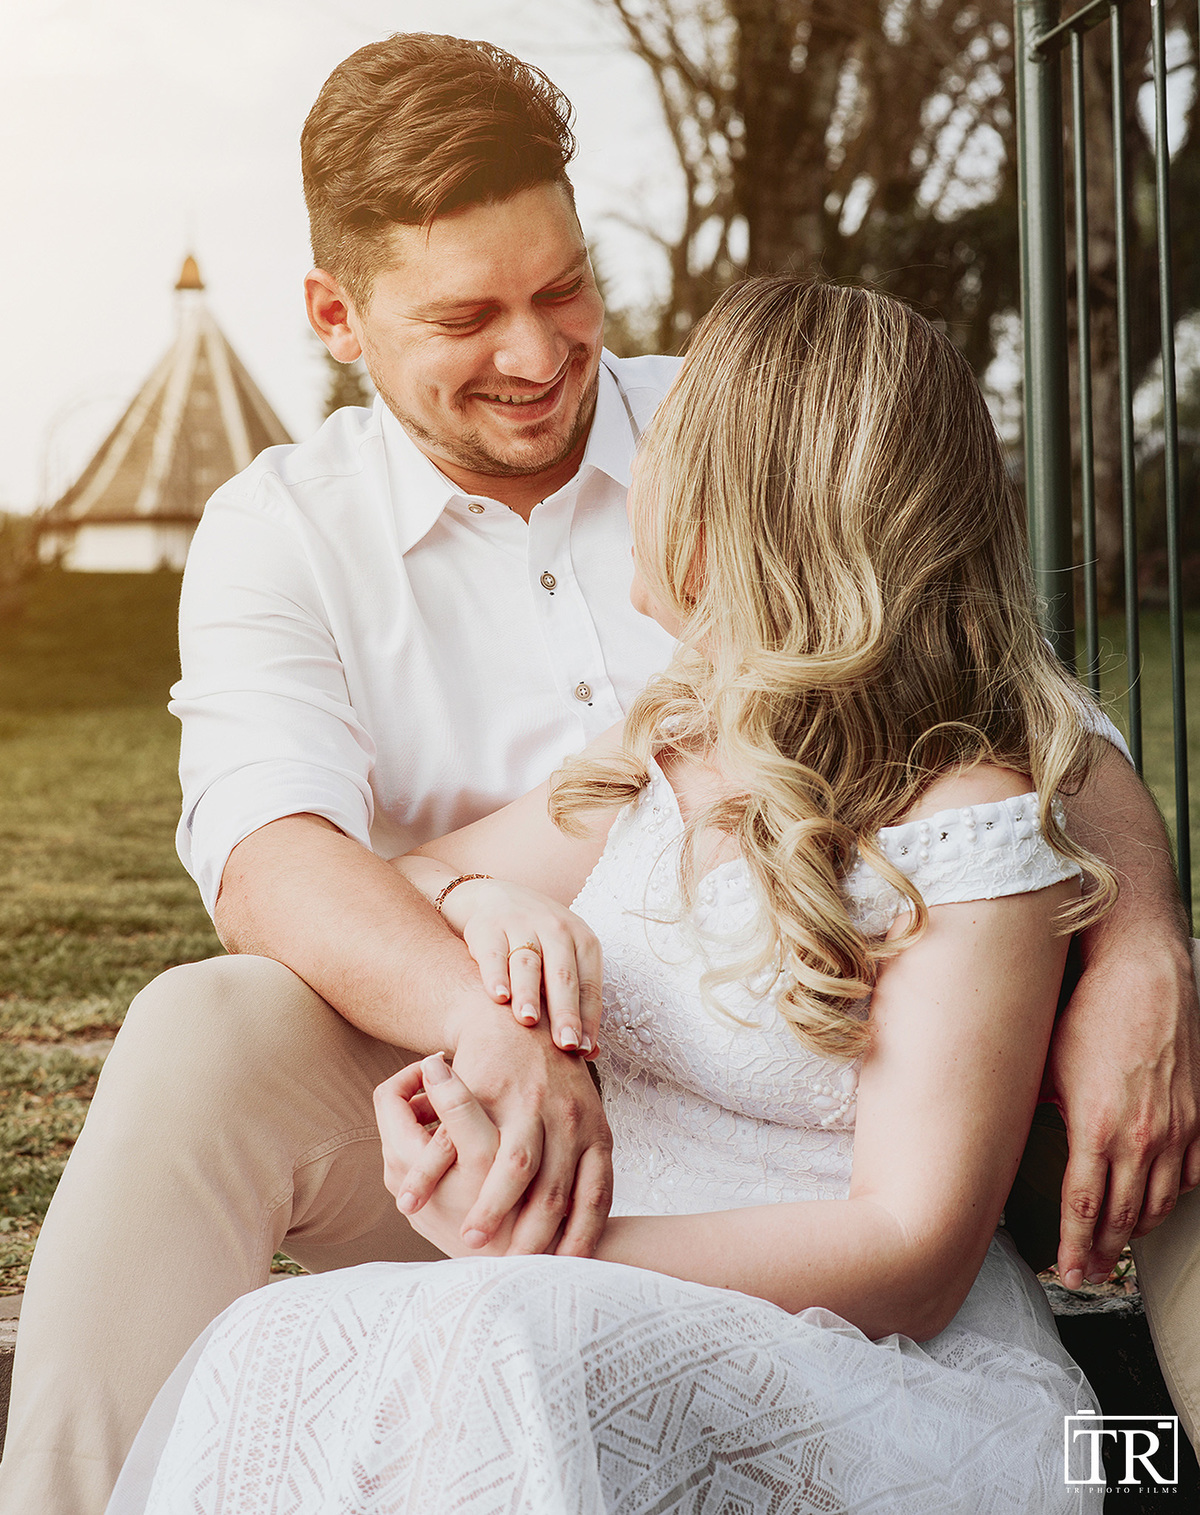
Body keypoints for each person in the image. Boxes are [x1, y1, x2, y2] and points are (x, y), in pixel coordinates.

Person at [1, 33, 1198, 1515]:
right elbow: (269, 854)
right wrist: (477, 978)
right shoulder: (284, 532)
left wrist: (1144, 944)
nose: (540, 353)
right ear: (337, 317)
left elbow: (1021, 718)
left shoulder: (745, 422)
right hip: (493, 1122)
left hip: (837, 1167)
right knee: (205, 1030)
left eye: (564, 288)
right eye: (467, 314)